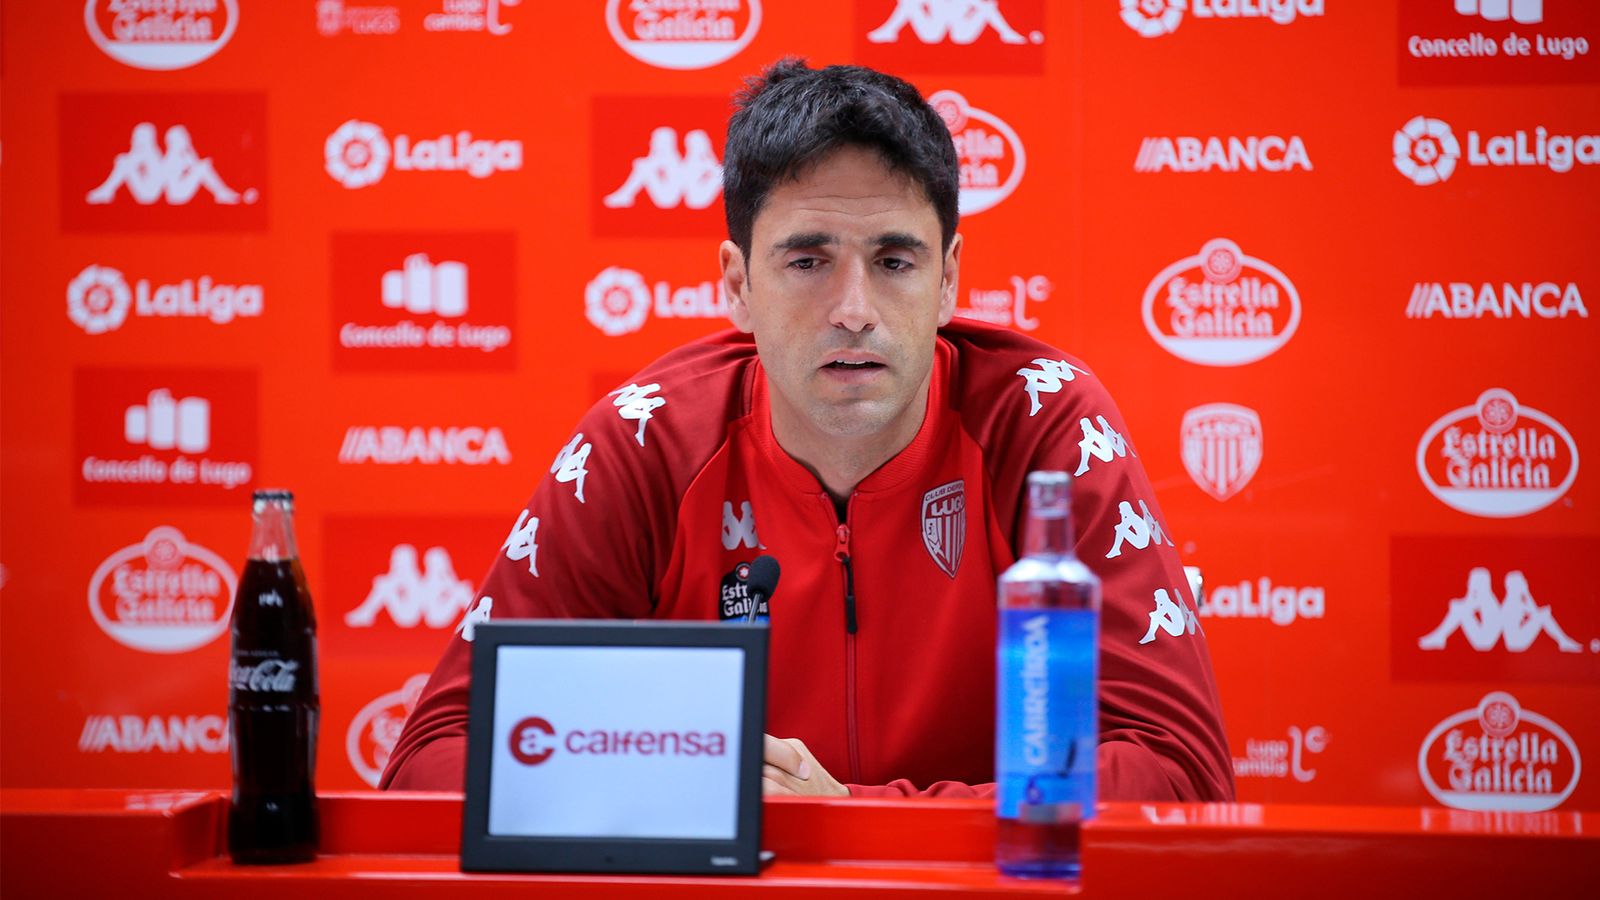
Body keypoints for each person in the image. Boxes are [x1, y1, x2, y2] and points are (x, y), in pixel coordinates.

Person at [382, 59, 1234, 801]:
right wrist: (694, 791)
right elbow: (433, 761)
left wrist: (861, 815)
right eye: (806, 260)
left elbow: (1181, 774)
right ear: (736, 283)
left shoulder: (1044, 426)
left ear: (950, 281)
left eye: (895, 262)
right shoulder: (647, 443)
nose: (854, 311)